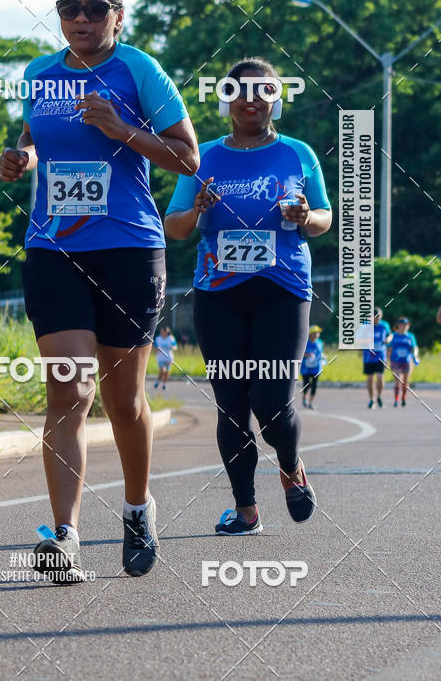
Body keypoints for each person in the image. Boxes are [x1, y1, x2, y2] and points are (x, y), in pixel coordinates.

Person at [0, 0, 199, 583]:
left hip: (128, 249)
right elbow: (34, 137)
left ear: (117, 15)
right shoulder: (38, 74)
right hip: (54, 249)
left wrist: (122, 128)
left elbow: (188, 158)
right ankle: (65, 536)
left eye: (95, 7)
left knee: (123, 399)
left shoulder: (138, 69)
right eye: (69, 7)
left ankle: (138, 508)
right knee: (69, 389)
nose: (81, 18)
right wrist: (21, 157)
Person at [165, 57, 332, 535]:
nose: (252, 100)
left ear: (277, 99)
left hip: (282, 291)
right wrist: (197, 209)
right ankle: (246, 510)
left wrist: (306, 216)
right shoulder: (202, 157)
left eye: (264, 91)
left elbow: (324, 217)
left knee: (272, 401)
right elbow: (174, 226)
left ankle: (291, 464)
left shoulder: (298, 153)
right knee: (232, 404)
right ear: (226, 100)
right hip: (219, 295)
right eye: (240, 91)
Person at [363, 307, 392, 408]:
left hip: (381, 356)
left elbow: (390, 335)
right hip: (369, 356)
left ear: (381, 316)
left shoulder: (384, 325)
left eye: (378, 316)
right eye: (374, 316)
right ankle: (372, 399)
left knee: (380, 377)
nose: (376, 318)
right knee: (370, 378)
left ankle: (379, 396)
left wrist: (388, 339)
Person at [387, 317, 419, 407]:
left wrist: (415, 356)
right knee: (397, 381)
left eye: (406, 325)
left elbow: (415, 347)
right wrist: (388, 360)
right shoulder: (394, 335)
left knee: (405, 382)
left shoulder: (410, 336)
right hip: (396, 361)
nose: (404, 326)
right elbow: (389, 349)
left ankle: (403, 398)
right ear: (399, 325)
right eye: (402, 325)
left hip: (407, 361)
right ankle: (396, 399)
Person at [300, 325, 325, 410]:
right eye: (315, 333)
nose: (317, 334)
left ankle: (311, 403)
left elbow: (320, 353)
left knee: (314, 385)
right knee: (306, 384)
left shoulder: (320, 342)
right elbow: (299, 353)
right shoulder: (305, 342)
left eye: (318, 333)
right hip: (305, 368)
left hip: (316, 367)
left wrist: (323, 356)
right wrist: (306, 355)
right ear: (311, 334)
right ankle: (304, 398)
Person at [153, 326, 177, 391]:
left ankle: (164, 384)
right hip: (160, 358)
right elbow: (154, 347)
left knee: (167, 372)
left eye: (162, 331)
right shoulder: (158, 338)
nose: (161, 332)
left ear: (166, 332)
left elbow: (175, 347)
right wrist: (157, 349)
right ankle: (157, 382)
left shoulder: (171, 338)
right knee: (162, 370)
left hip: (169, 357)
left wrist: (172, 347)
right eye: (161, 331)